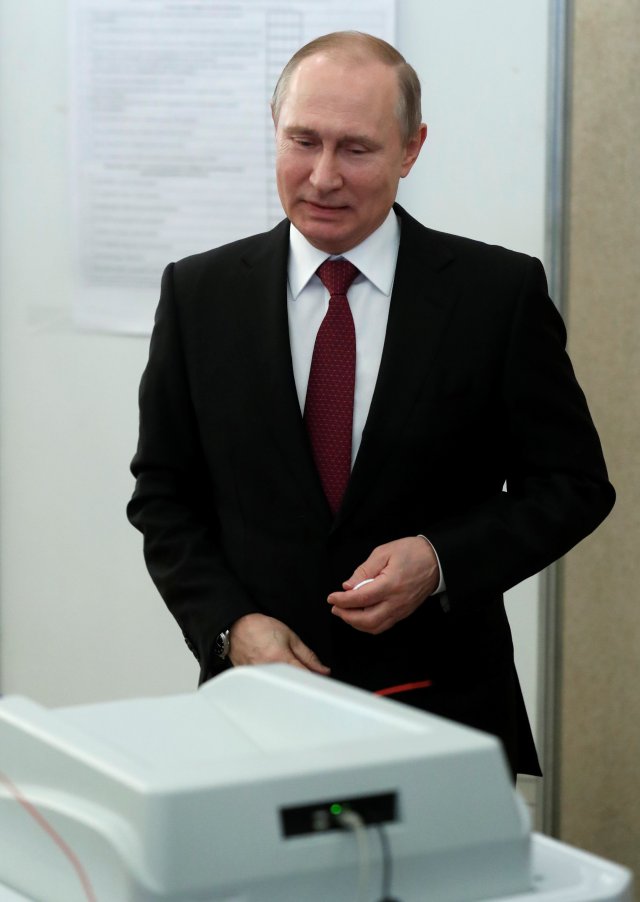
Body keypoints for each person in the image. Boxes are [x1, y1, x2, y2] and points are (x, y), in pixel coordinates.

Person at [127, 31, 614, 776]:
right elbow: (164, 495)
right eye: (303, 141)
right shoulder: (198, 294)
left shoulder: (496, 296)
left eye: (356, 149)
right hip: (257, 714)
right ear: (274, 127)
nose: (322, 177)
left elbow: (574, 487)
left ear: (411, 149)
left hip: (443, 716)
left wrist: (441, 559)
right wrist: (229, 628)